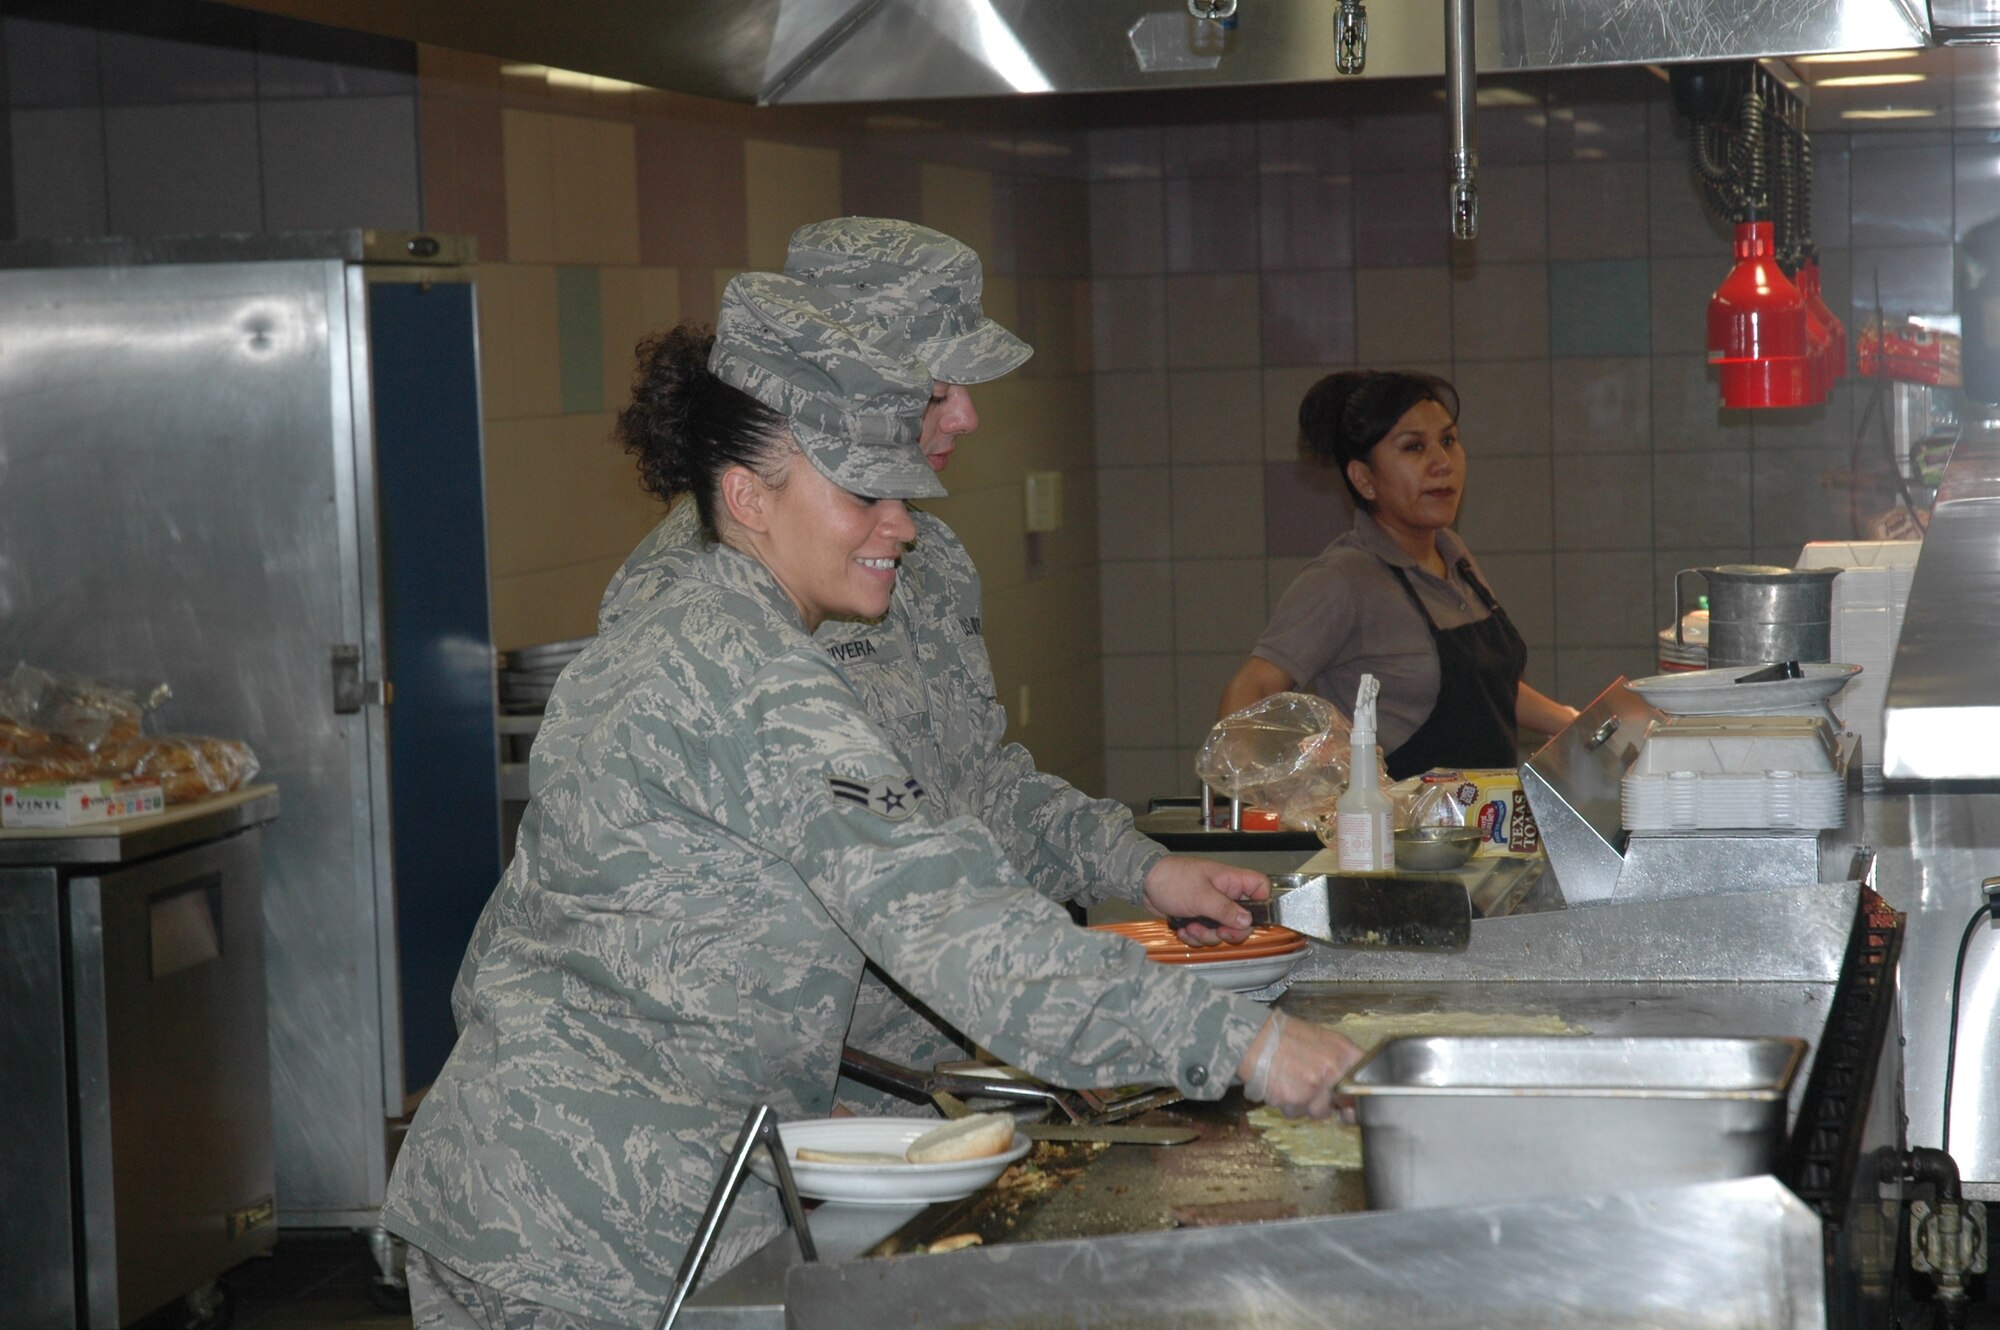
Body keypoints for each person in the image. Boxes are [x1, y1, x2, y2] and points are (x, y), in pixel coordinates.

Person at [382, 272, 1363, 1329]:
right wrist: (1244, 1047)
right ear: (748, 496)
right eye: (861, 495)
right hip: (586, 1233)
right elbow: (954, 924)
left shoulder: (709, 638)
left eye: (900, 492)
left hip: (544, 1197)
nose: (900, 525)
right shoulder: (754, 680)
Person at [600, 218, 1272, 1109]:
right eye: (937, 385)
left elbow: (972, 780)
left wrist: (1140, 869)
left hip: (949, 1070)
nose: (967, 415)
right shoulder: (702, 598)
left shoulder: (921, 556)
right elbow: (865, 891)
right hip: (799, 1103)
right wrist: (1234, 1045)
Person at [1219, 370, 1578, 779]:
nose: (1442, 463)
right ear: (1364, 479)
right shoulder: (1342, 577)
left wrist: (1570, 722)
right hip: (1397, 836)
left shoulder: (1452, 553)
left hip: (1482, 826)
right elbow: (1253, 689)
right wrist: (1271, 792)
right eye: (1414, 447)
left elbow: (1485, 684)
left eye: (1448, 440)